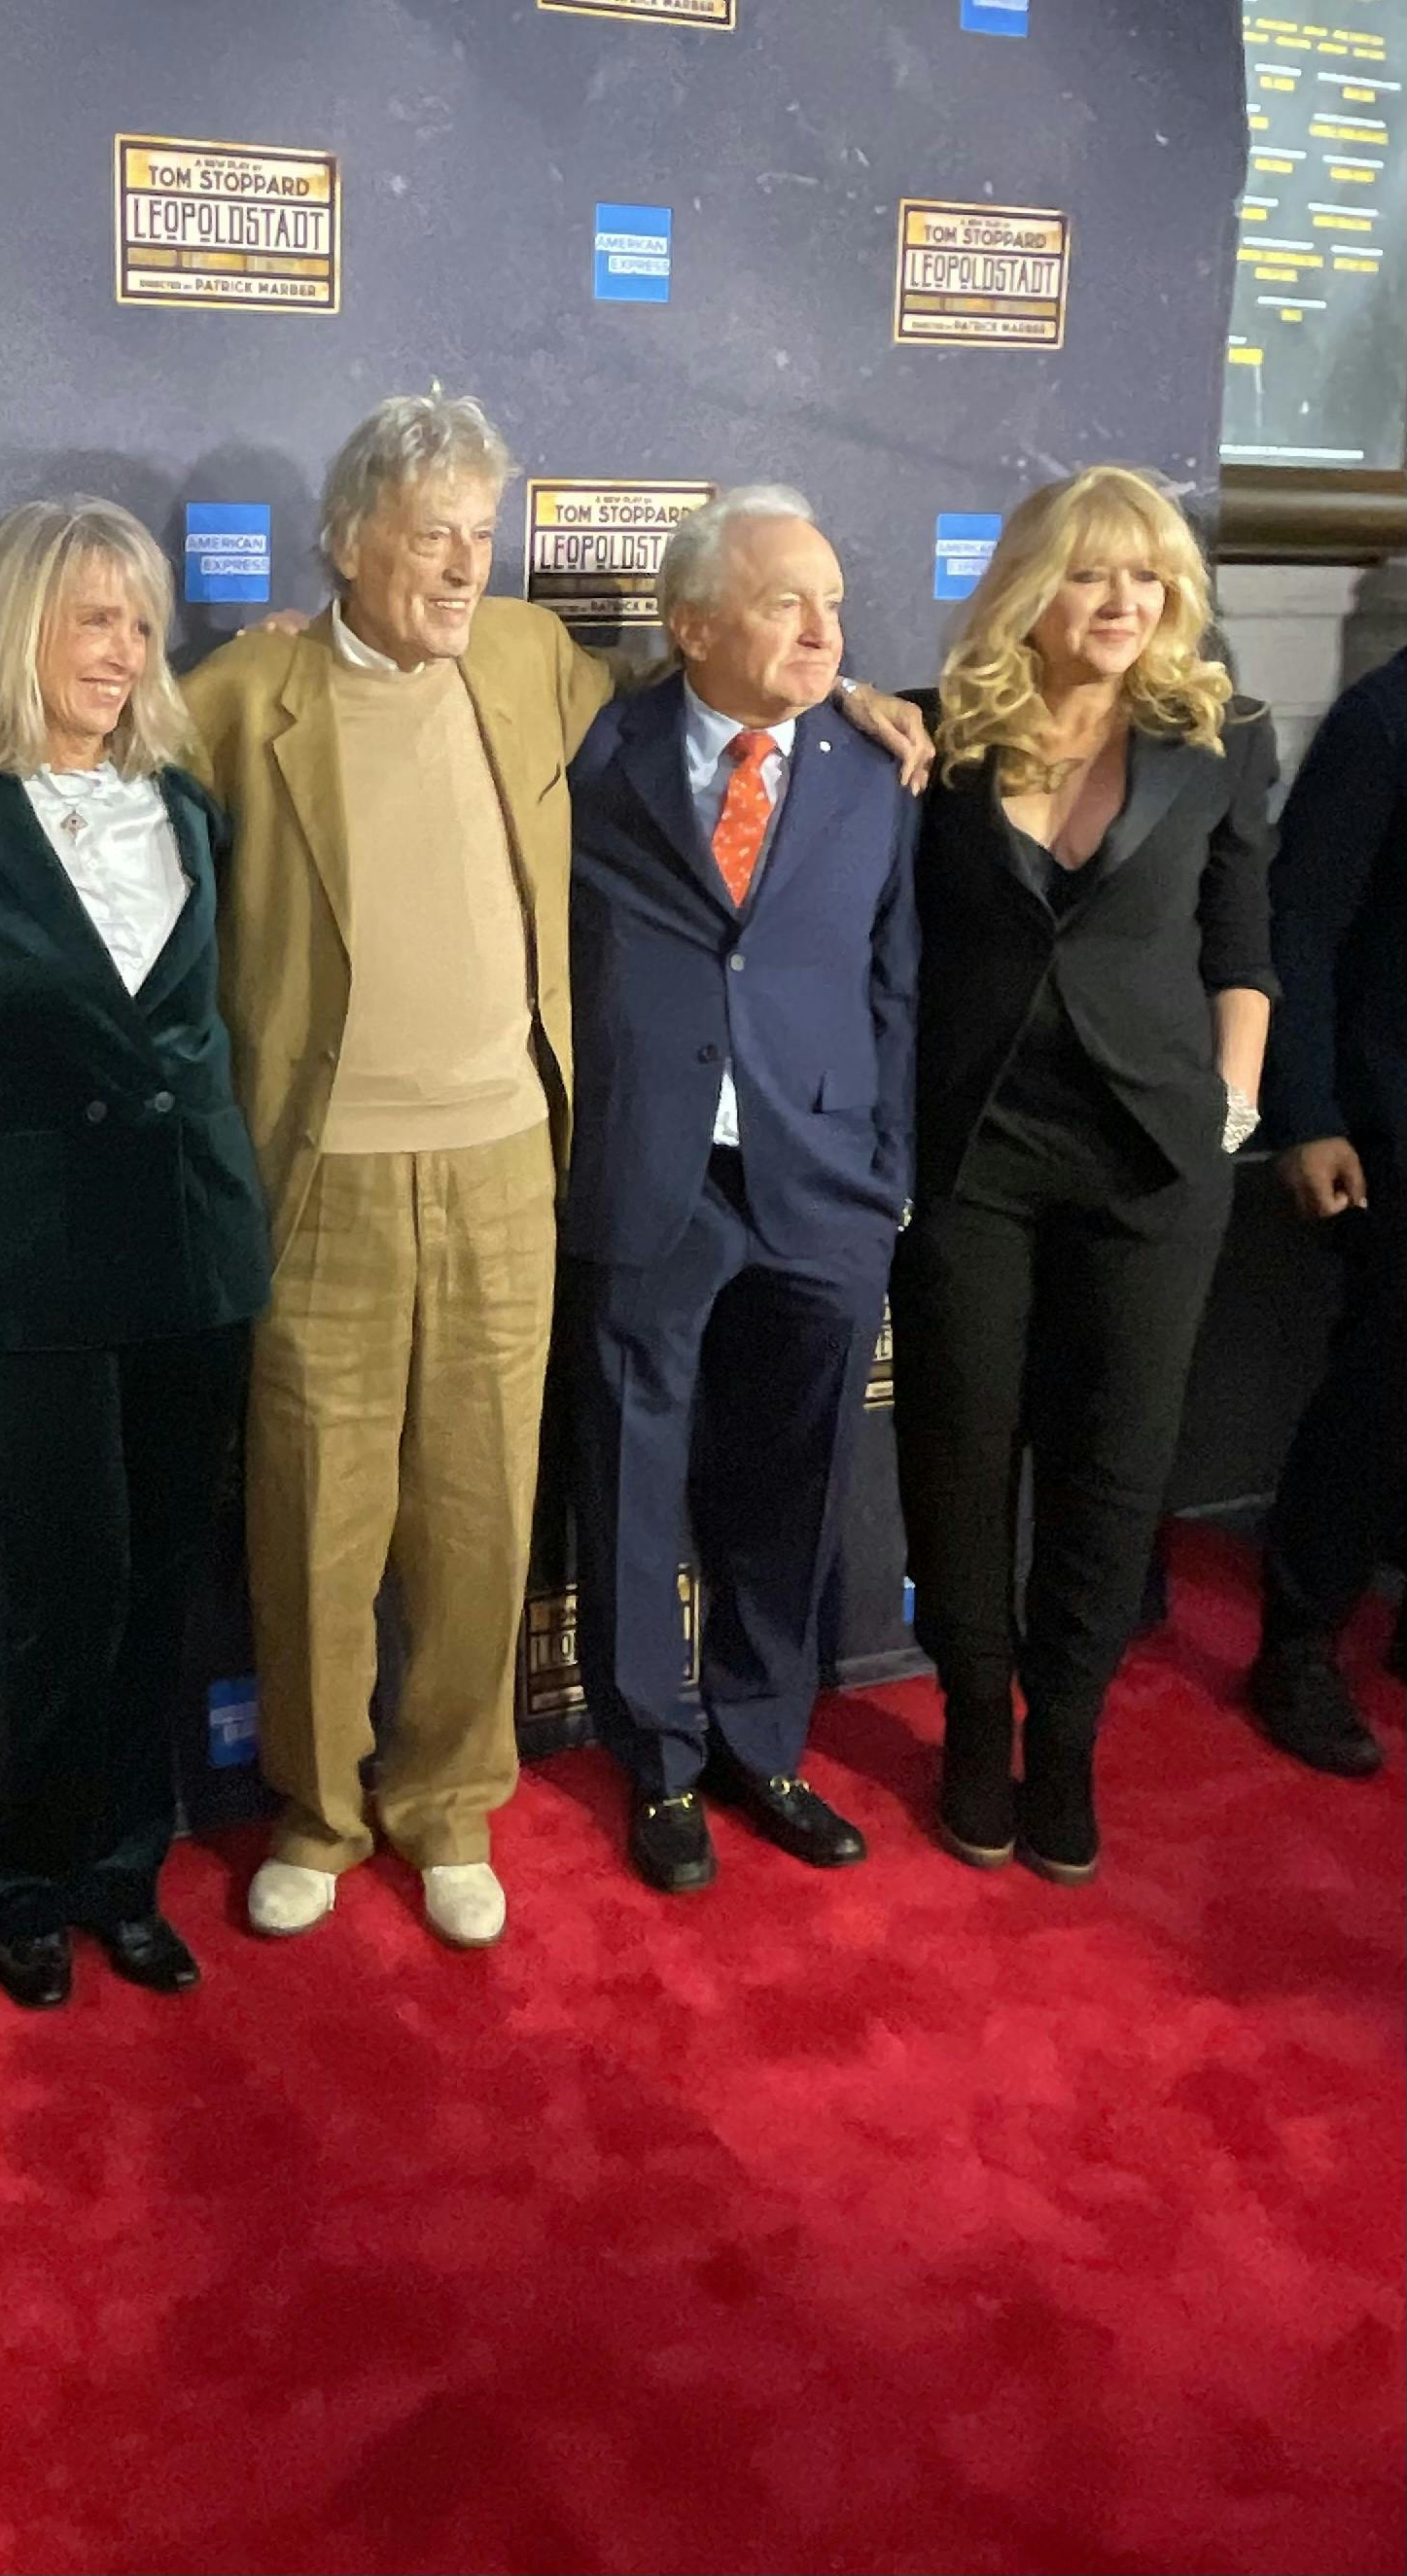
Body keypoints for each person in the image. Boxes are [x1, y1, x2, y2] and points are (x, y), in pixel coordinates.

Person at [179, 391, 931, 1948]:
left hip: (511, 1171)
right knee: (314, 1519)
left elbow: (723, 695)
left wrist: (853, 696)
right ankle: (317, 1812)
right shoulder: (242, 697)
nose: (465, 566)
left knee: (477, 1519)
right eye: (428, 538)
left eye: (479, 534)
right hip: (322, 1178)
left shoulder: (532, 659)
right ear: (346, 542)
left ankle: (451, 1803)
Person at [892, 464, 1277, 1884]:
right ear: (1028, 587)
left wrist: (1231, 1105)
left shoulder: (1221, 734)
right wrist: (860, 706)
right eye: (1092, 572)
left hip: (1153, 1159)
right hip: (975, 1151)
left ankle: (1062, 1739)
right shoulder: (937, 732)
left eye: (1150, 576)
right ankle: (971, 1723)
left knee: (1112, 1466)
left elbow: (1244, 946)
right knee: (957, 1450)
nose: (1125, 602)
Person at [0, 498, 273, 2008]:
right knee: (63, 1589)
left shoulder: (184, 806)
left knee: (161, 1584)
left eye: (139, 623)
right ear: (19, 632)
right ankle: (22, 1877)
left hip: (193, 1248)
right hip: (31, 1261)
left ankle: (125, 1871)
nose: (122, 651)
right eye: (90, 619)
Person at [564, 488, 917, 1892]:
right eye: (787, 604)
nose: (824, 631)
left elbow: (895, 981)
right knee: (632, 1479)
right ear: (694, 624)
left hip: (822, 1180)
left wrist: (884, 1171)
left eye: (834, 603)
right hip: (651, 1169)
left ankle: (763, 1742)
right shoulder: (594, 746)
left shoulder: (875, 766)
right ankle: (655, 1759)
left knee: (794, 1474)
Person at [1248, 645, 1406, 1774]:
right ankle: (1299, 1641)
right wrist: (1304, 1116)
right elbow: (1297, 928)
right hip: (1389, 1120)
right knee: (1382, 1389)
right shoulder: (1382, 720)